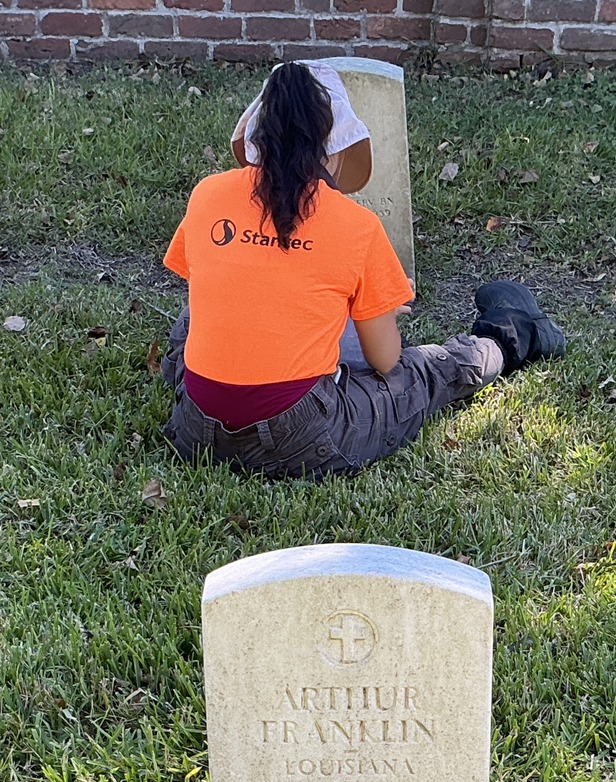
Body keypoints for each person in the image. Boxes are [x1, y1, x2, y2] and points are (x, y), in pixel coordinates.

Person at [159, 61, 565, 479]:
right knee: (424, 373)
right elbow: (385, 360)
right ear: (335, 149)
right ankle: (512, 334)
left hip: (195, 427)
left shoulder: (206, 195)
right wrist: (378, 310)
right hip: (303, 434)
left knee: (192, 315)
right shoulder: (355, 225)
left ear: (256, 136)